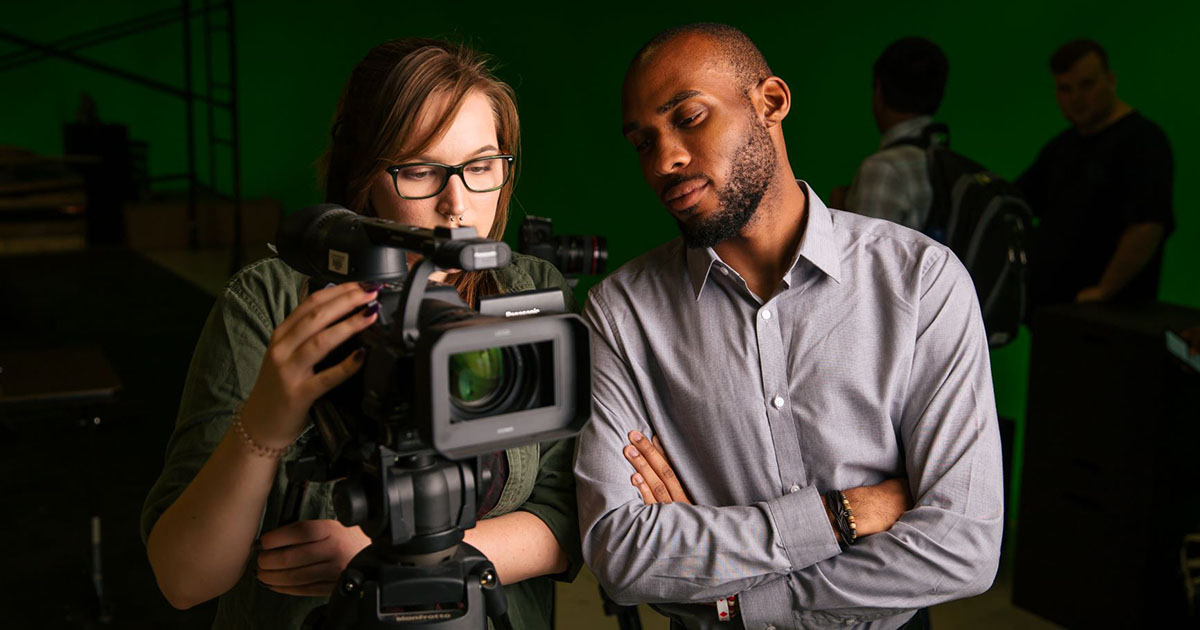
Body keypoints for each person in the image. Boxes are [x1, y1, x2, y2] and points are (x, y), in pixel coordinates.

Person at [574, 23, 1003, 630]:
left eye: (689, 118)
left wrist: (733, 598)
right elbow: (622, 554)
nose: (665, 160)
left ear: (770, 103)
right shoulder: (621, 315)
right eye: (643, 143)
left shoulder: (921, 281)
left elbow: (963, 548)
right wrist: (843, 515)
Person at [141, 38, 580, 630]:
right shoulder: (272, 304)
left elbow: (570, 517)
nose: (456, 205)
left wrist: (388, 559)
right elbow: (184, 579)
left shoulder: (531, 293)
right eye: (420, 170)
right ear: (364, 175)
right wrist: (265, 424)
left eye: (480, 167)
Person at [1018, 38, 1174, 307]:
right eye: (1065, 89)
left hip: (1109, 317)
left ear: (1110, 81)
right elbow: (1017, 202)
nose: (1076, 98)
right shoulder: (1061, 147)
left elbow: (1147, 226)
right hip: (1056, 311)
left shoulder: (1142, 142)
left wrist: (1104, 290)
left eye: (1087, 85)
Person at [839, 37, 949, 230]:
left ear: (879, 91)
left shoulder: (883, 169)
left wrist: (839, 212)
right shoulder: (944, 159)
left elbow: (867, 247)